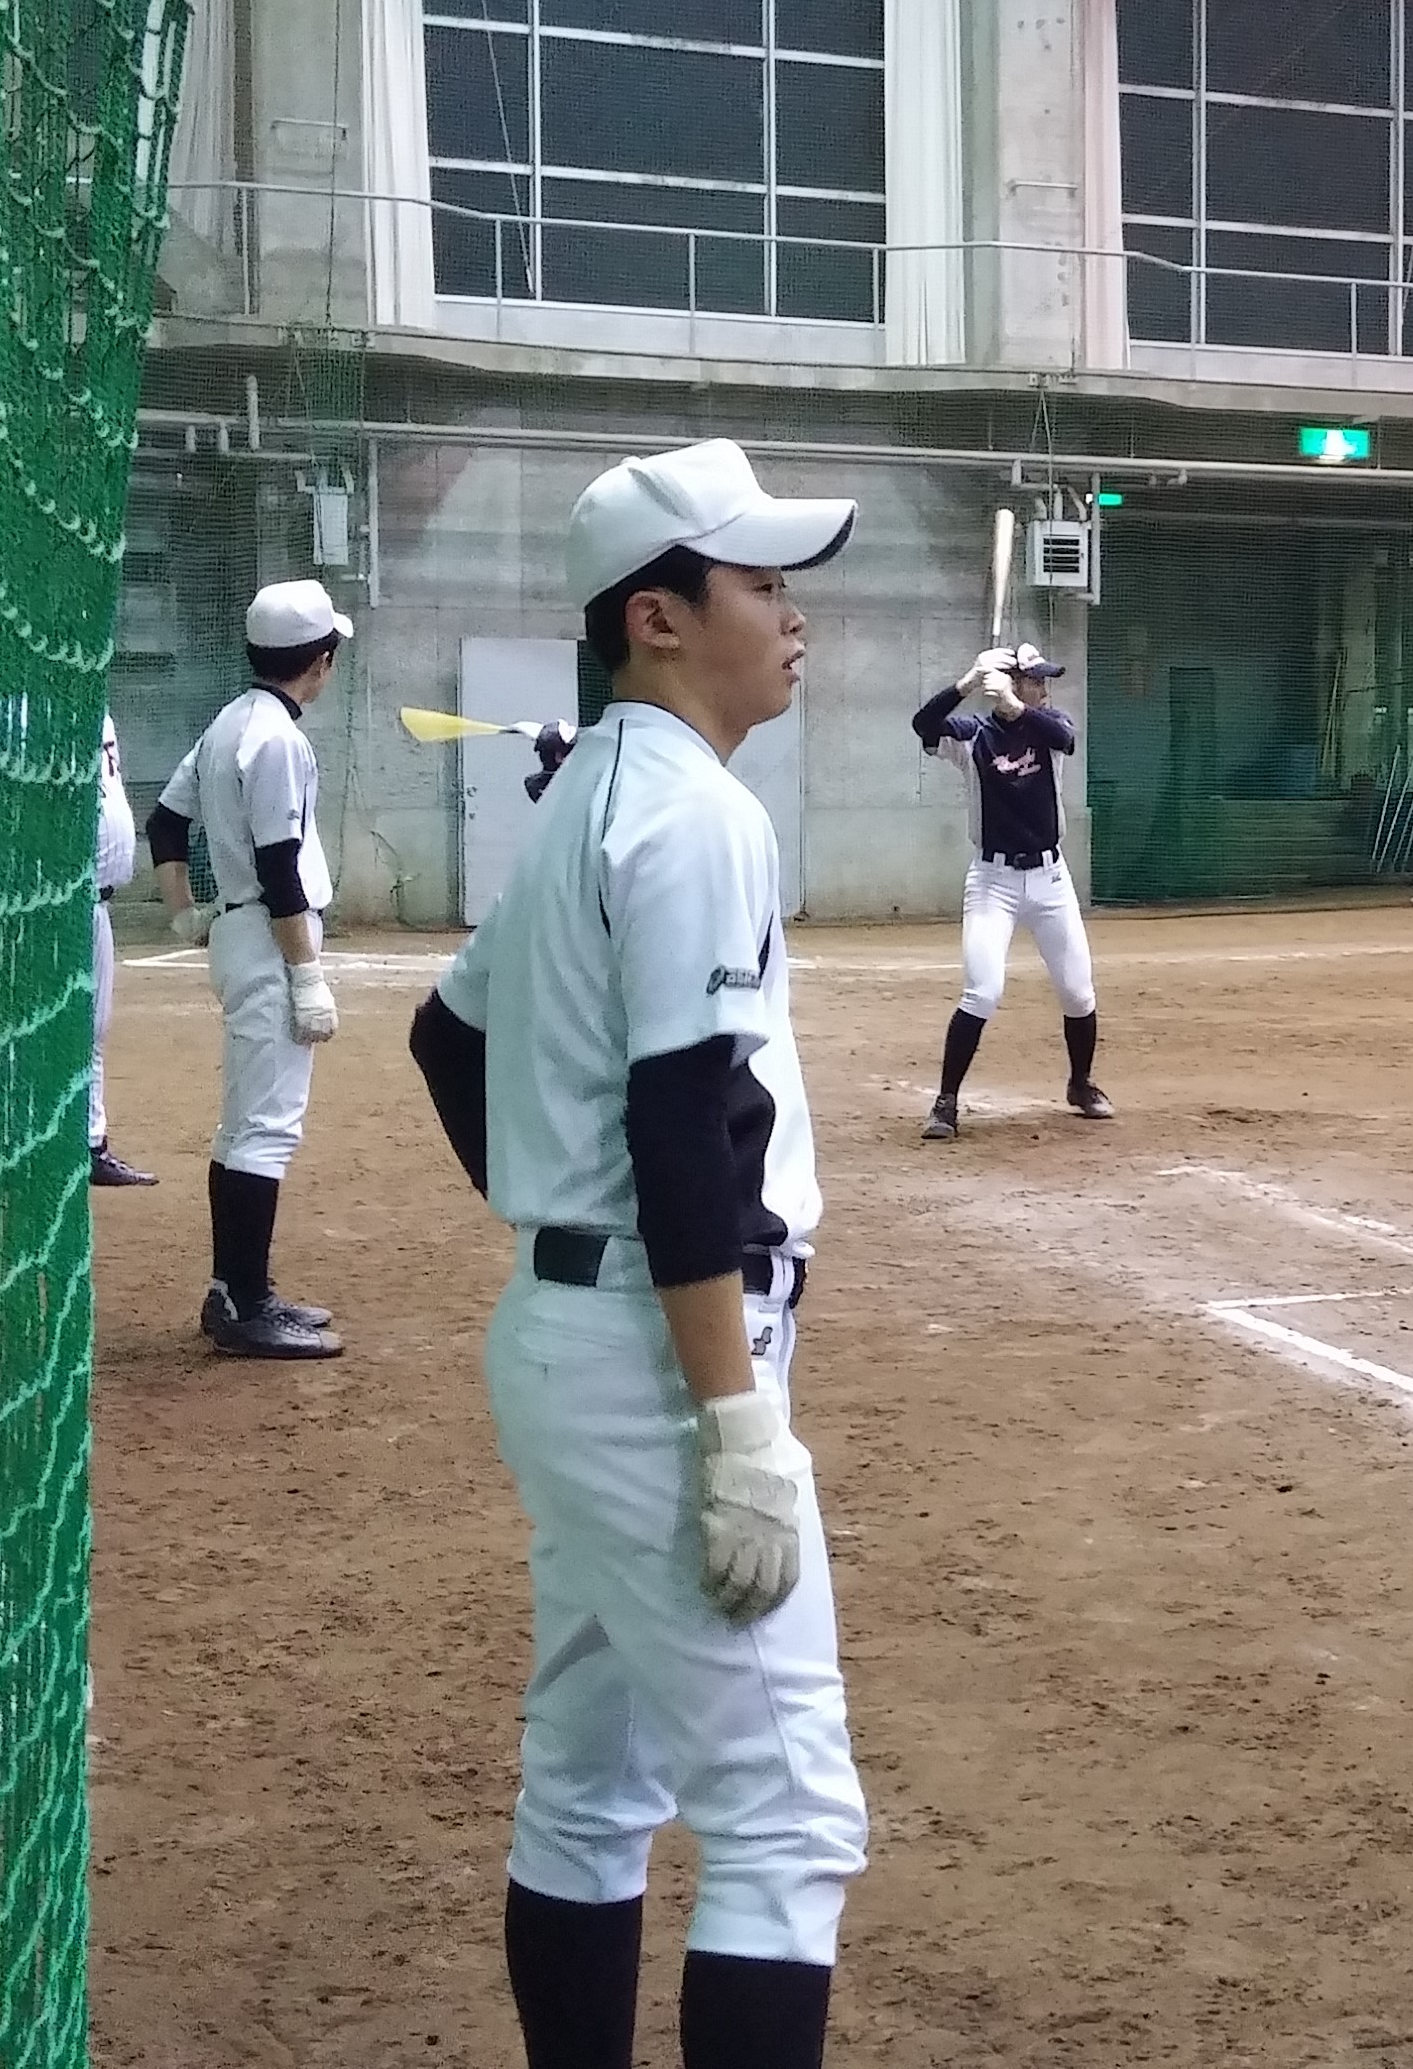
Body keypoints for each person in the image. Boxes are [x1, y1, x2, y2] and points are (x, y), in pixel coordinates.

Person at [405, 438, 867, 2069]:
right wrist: (736, 1423)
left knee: (593, 1779)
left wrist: (554, 1210)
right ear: (659, 619)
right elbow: (691, 1136)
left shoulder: (591, 798)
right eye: (761, 585)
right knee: (784, 1812)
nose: (795, 617)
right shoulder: (691, 814)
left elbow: (446, 1041)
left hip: (585, 1334)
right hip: (663, 1363)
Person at [145, 580, 350, 1360]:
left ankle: (243, 1292)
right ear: (319, 662)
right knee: (265, 1131)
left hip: (240, 934)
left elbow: (166, 821)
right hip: (271, 938)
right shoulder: (281, 742)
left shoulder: (231, 721)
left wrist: (184, 914)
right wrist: (306, 973)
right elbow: (279, 866)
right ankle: (241, 1304)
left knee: (245, 1128)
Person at [910, 645, 1106, 1139]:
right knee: (983, 991)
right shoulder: (974, 735)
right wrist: (968, 681)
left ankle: (1080, 1084)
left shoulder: (1048, 725)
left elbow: (1064, 737)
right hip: (993, 882)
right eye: (1036, 681)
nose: (1045, 689)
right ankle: (946, 1102)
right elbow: (923, 725)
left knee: (1078, 992)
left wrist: (1017, 709)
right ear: (1014, 683)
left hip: (1050, 879)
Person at [90, 713, 155, 1188]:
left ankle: (90, 1143)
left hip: (95, 903)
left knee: (94, 1027)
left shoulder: (100, 709)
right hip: (54, 901)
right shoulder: (26, 704)